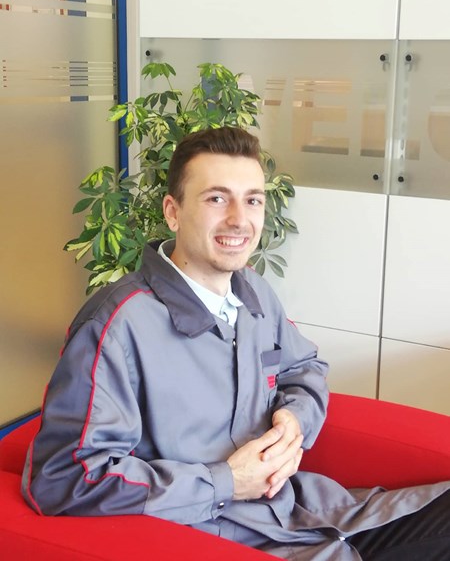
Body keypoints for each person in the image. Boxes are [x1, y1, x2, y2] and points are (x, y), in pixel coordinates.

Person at [22, 127, 449, 560]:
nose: (239, 220)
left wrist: (294, 421)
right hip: (225, 536)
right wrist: (226, 481)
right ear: (173, 212)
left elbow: (304, 368)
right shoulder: (116, 326)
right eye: (216, 198)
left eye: (252, 200)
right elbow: (64, 478)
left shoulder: (253, 291)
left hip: (308, 512)